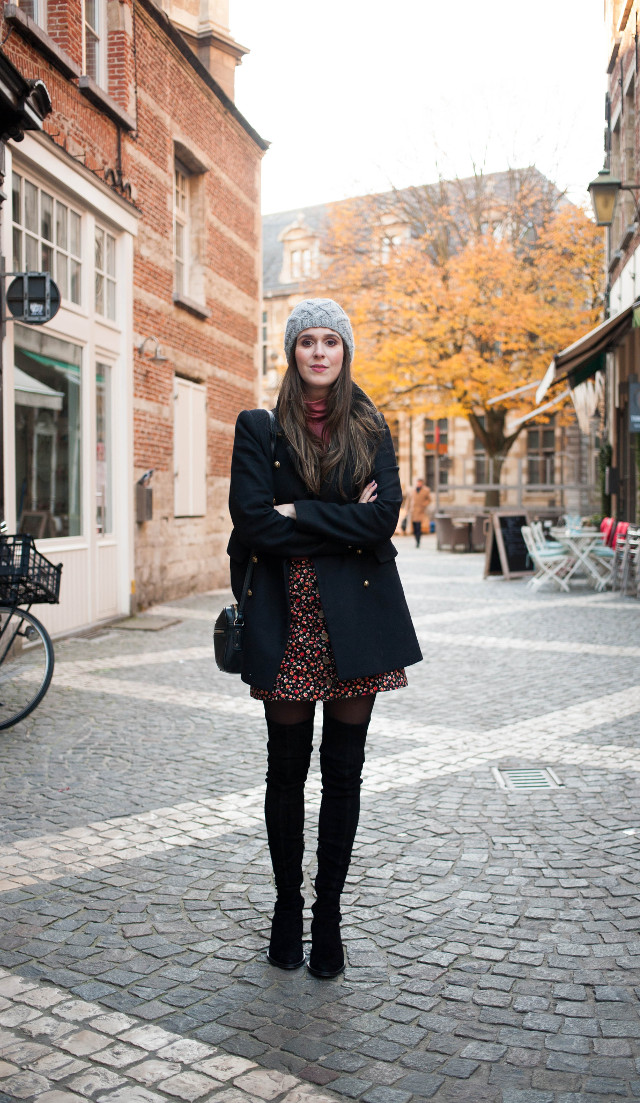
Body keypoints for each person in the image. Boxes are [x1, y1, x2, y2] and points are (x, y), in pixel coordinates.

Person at [228, 298, 422, 978]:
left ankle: (328, 918)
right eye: (306, 340)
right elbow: (253, 523)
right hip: (286, 618)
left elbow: (385, 519)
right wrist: (342, 520)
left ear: (345, 351)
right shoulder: (258, 427)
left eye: (330, 341)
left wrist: (300, 511)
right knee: (286, 773)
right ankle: (287, 908)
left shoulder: (371, 427)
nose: (318, 351)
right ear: (292, 352)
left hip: (356, 622)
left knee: (343, 776)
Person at [404, 477, 432, 547]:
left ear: (422, 483)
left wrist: (423, 504)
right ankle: (416, 539)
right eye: (418, 482)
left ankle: (418, 541)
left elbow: (429, 500)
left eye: (420, 482)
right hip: (413, 511)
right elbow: (408, 500)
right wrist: (406, 509)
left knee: (418, 527)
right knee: (414, 527)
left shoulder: (426, 490)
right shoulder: (412, 490)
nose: (419, 484)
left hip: (420, 511)